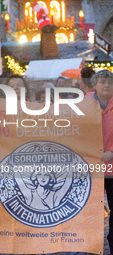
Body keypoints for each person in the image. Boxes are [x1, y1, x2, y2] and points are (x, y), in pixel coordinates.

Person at [85, 70, 113, 254]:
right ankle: (88, 245)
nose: (106, 86)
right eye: (102, 82)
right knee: (89, 211)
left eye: (110, 83)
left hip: (111, 168)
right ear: (94, 84)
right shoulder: (83, 104)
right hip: (89, 168)